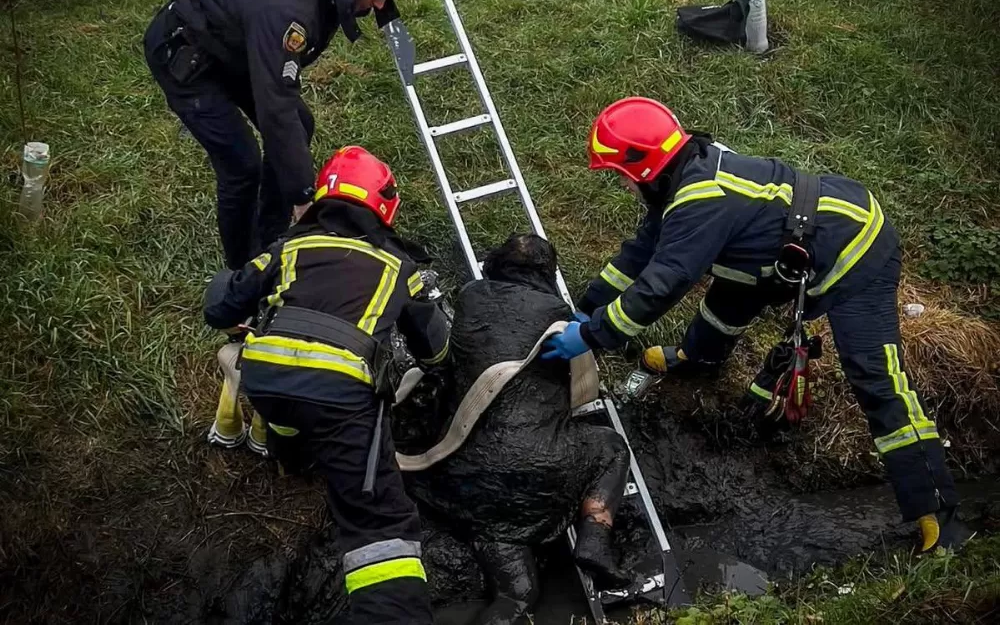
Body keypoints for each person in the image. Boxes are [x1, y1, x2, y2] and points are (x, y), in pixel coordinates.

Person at [541, 96, 960, 554]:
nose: (620, 186)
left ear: (643, 170)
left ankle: (932, 507)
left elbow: (662, 284)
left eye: (620, 176)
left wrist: (591, 335)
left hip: (855, 249)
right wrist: (587, 307)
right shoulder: (686, 174)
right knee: (728, 297)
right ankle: (697, 359)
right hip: (783, 245)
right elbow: (640, 254)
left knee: (876, 376)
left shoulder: (701, 202)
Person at [202, 145, 449, 624]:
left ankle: (291, 460)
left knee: (290, 416)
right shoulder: (400, 267)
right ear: (385, 204)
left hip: (267, 377)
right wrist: (439, 366)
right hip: (339, 394)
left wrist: (229, 285)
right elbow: (434, 349)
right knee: (379, 525)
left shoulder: (286, 248)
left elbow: (220, 309)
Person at [145, 0, 417, 271]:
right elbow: (277, 106)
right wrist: (304, 197)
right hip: (188, 56)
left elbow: (283, 110)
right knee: (242, 166)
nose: (381, 3)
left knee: (299, 128)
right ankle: (243, 272)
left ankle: (271, 234)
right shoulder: (286, 14)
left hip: (236, 43)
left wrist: (395, 28)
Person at [395, 234, 635, 625]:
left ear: (492, 266)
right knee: (609, 447)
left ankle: (509, 603)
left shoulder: (470, 297)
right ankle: (595, 538)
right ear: (548, 276)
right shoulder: (559, 314)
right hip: (540, 469)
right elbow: (581, 390)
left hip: (462, 474)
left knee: (518, 593)